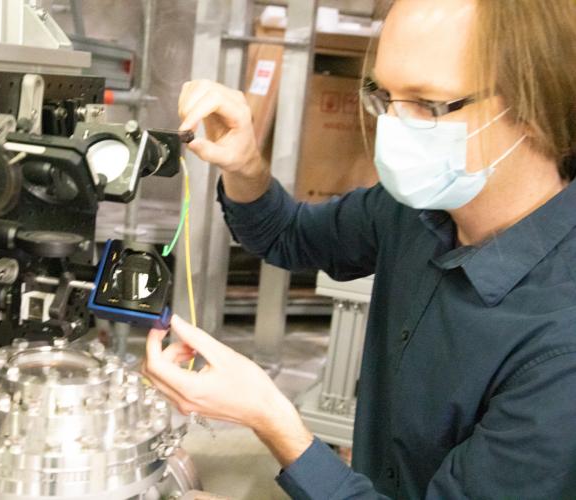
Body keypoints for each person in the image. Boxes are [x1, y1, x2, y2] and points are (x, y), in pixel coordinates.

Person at [142, 0, 576, 498]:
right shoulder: (418, 210)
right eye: (382, 96)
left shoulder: (560, 346)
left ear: (535, 105)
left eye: (426, 103)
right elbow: (287, 236)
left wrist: (271, 416)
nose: (393, 126)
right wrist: (243, 165)